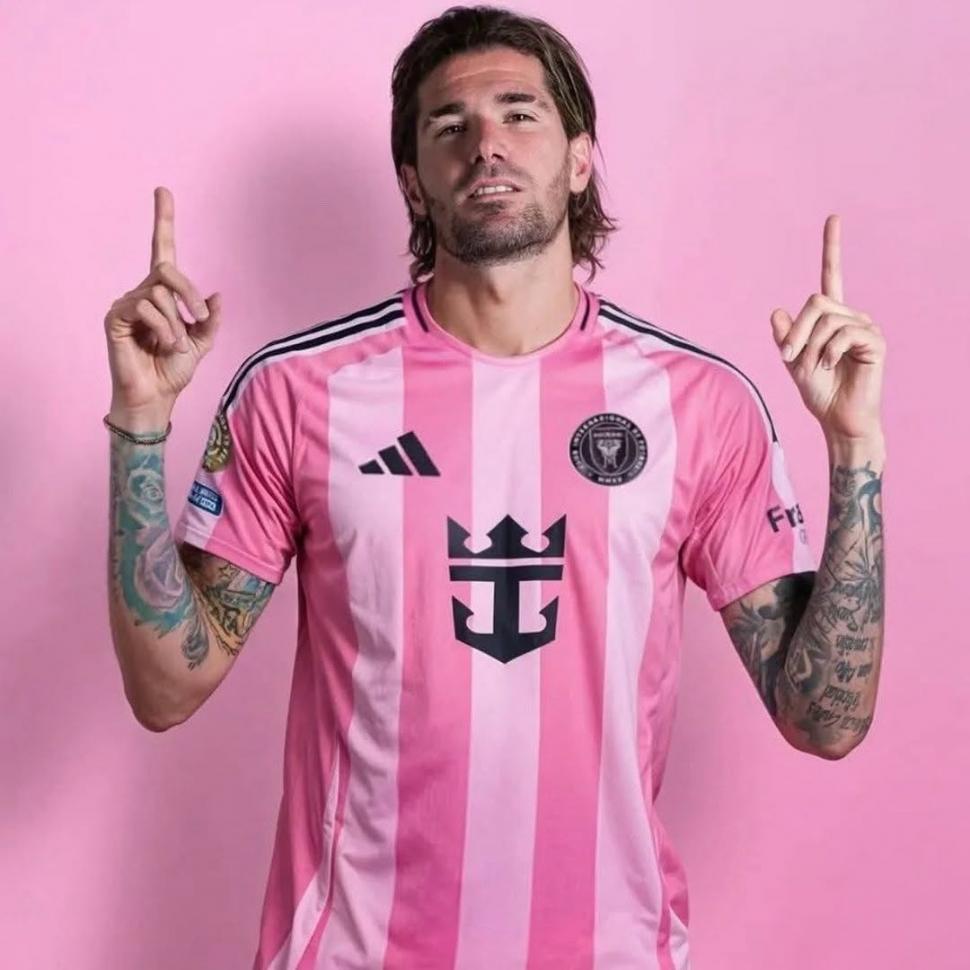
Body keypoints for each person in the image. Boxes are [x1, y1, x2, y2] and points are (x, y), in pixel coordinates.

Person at [103, 5, 887, 968]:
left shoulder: (698, 404)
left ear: (581, 158)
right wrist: (140, 423)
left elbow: (826, 721)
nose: (487, 145)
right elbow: (165, 688)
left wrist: (855, 448)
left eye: (520, 114)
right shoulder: (298, 391)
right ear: (413, 182)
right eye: (450, 125)